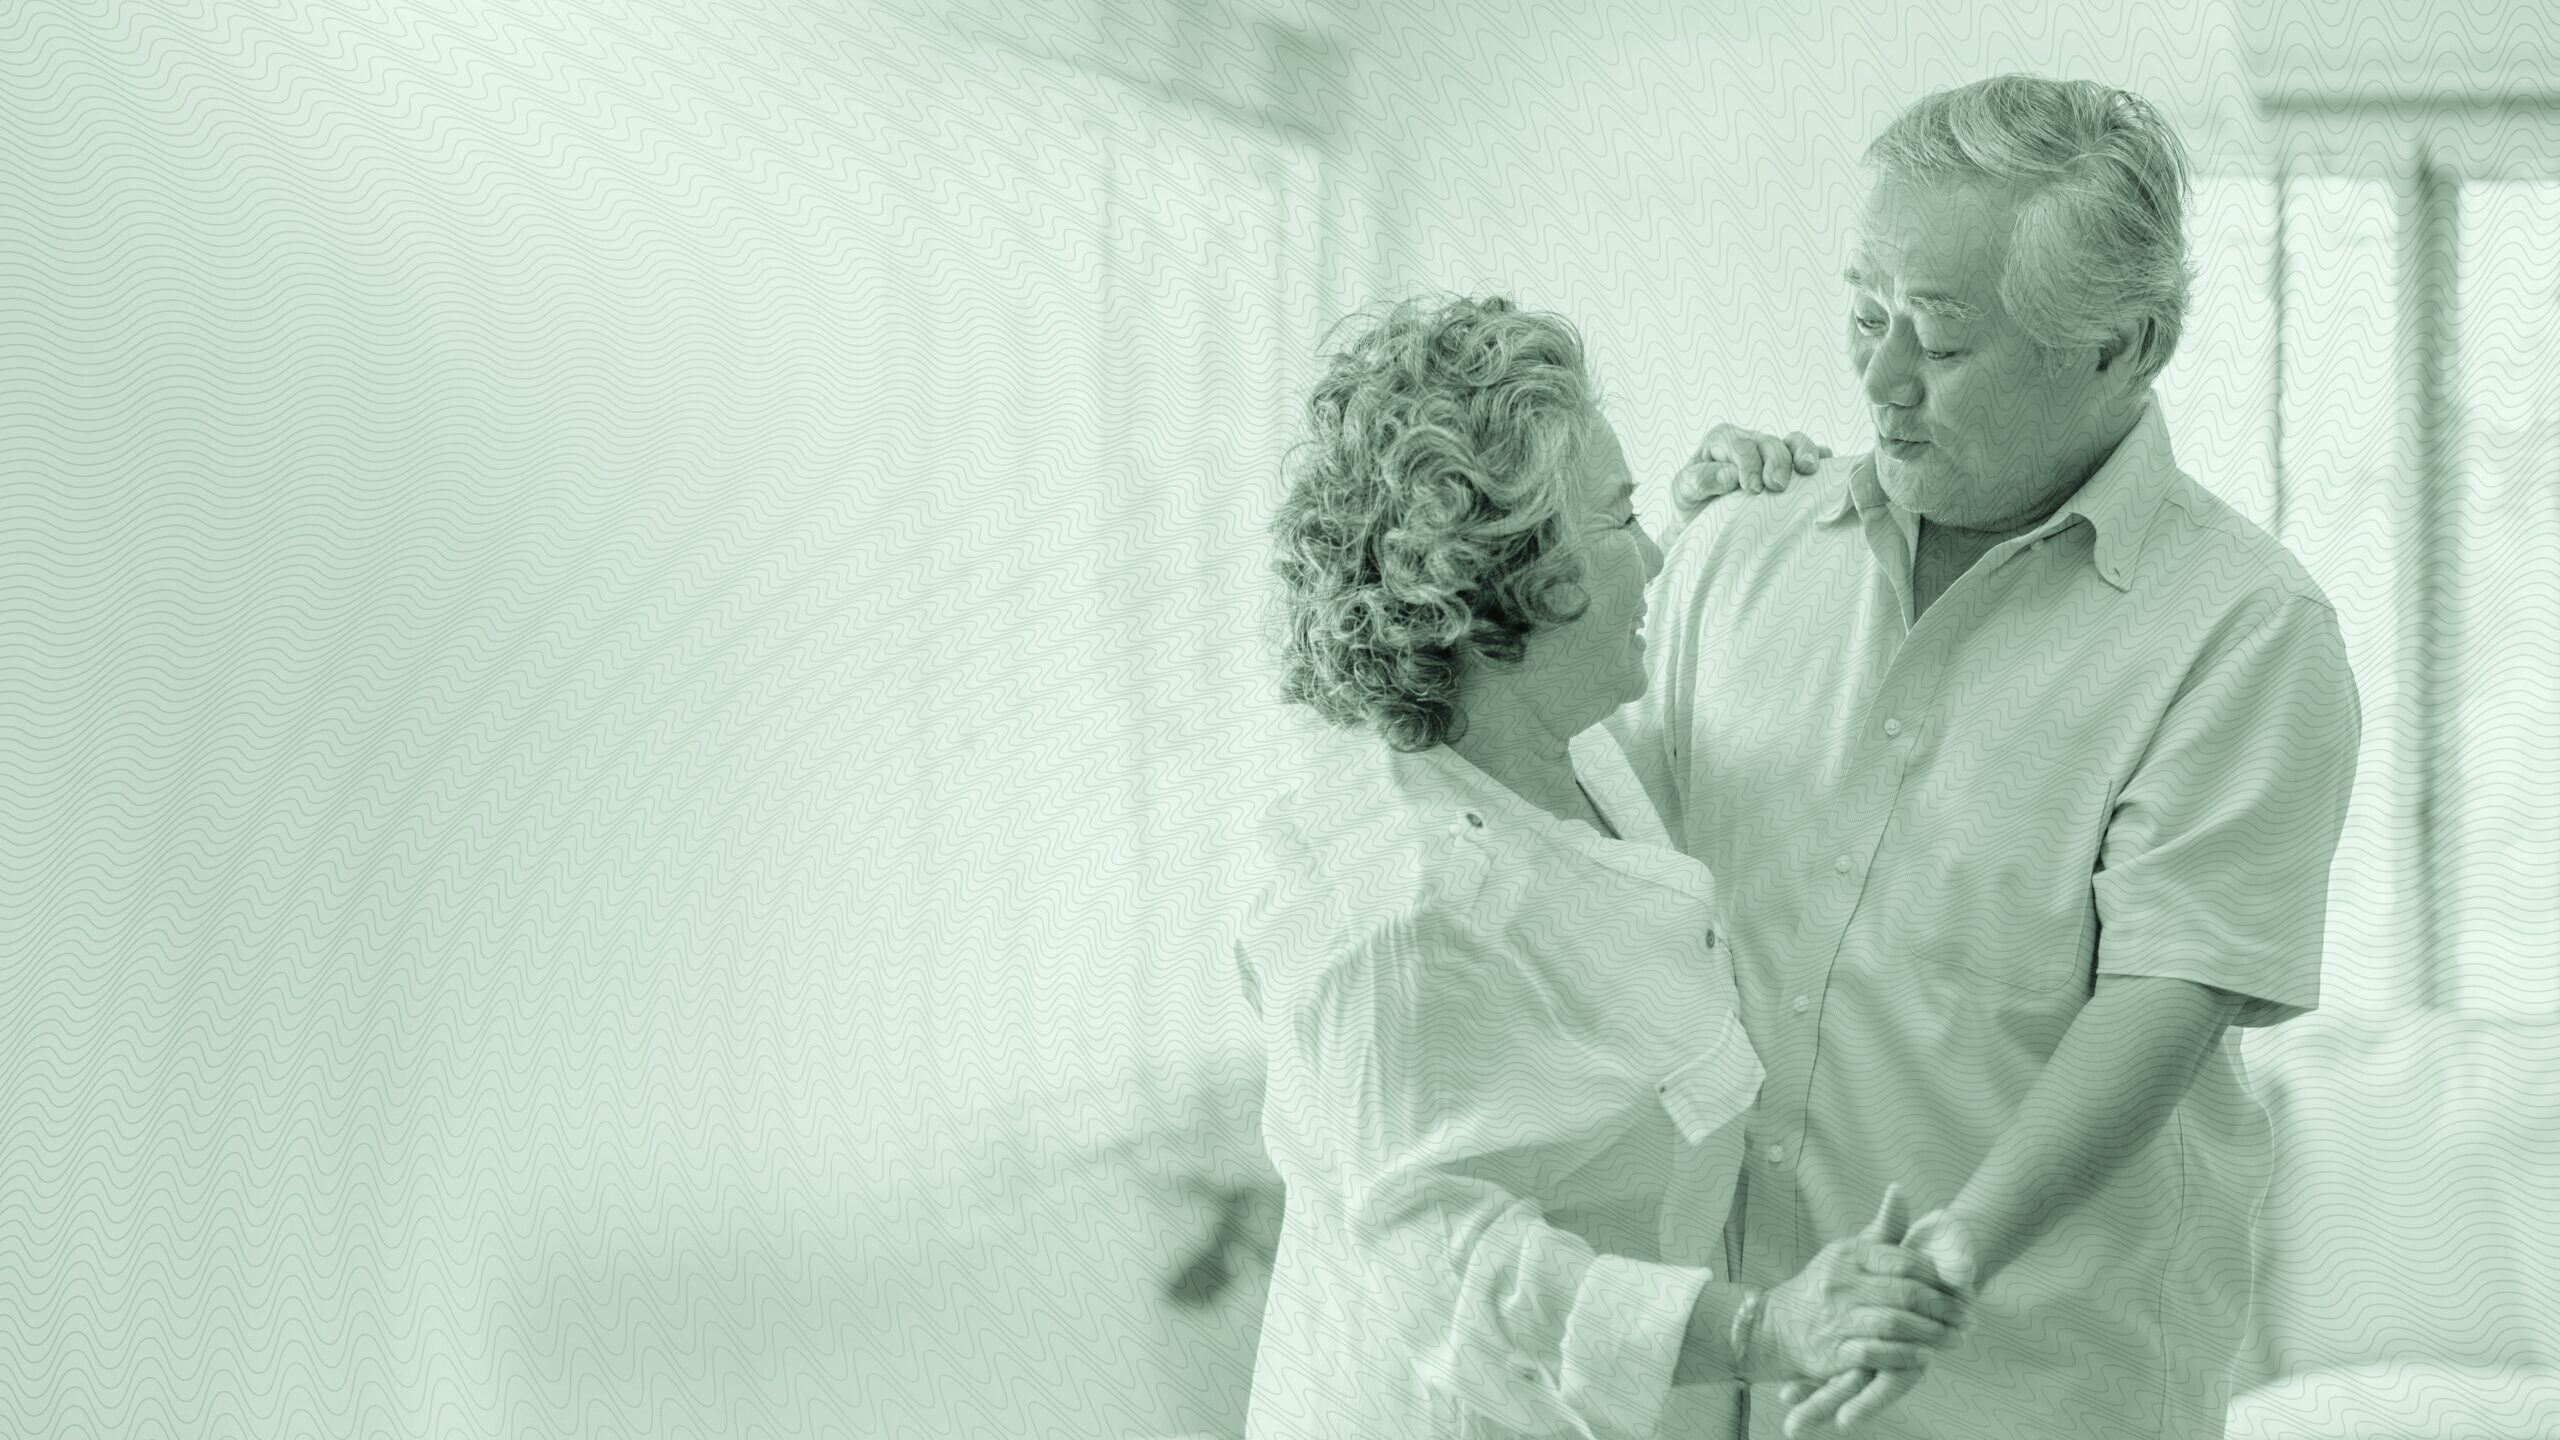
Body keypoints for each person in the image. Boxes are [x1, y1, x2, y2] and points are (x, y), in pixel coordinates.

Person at [1616, 75, 2364, 1439]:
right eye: (1866, 314)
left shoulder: (2243, 633)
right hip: (1717, 1380)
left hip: (2026, 1393)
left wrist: (1952, 1255)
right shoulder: (1736, 547)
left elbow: (2161, 1003)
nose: (1879, 381)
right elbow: (1585, 863)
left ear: (2124, 345)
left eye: (1943, 341)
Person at [1236, 295, 1969, 1440]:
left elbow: (1611, 872)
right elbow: (1451, 1274)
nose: (1657, 557)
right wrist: (1764, 1329)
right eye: (1619, 518)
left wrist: (1714, 514)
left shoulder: (1553, 758)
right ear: (1507, 575)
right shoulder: (1407, 905)